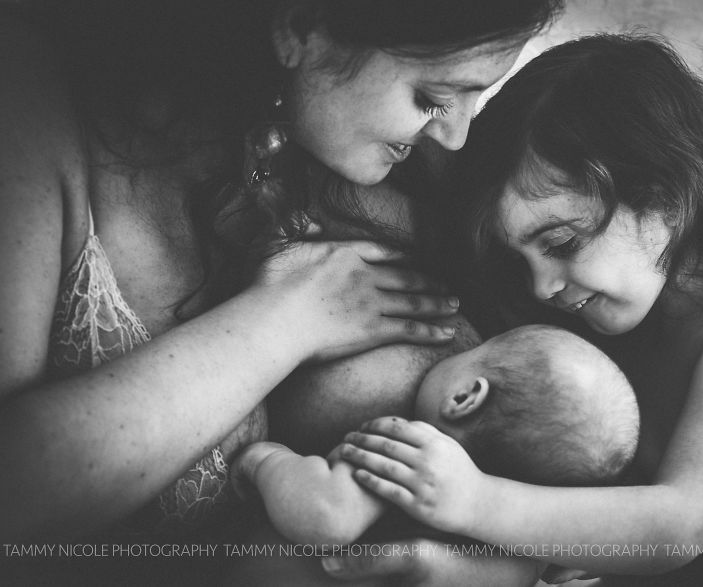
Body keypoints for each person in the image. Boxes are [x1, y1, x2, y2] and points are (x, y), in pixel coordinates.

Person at [0, 0, 564, 583]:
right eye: (432, 97)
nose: (455, 135)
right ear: (301, 28)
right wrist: (284, 322)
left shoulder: (367, 162)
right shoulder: (25, 101)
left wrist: (502, 567)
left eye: (477, 97)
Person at [339, 34, 703, 586]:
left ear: (666, 200)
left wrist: (474, 500)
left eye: (562, 243)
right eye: (520, 258)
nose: (542, 286)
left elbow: (677, 526)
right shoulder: (595, 314)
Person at [233, 324, 639, 547]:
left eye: (478, 349)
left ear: (463, 398)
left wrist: (265, 460)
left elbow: (326, 516)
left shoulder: (418, 456)